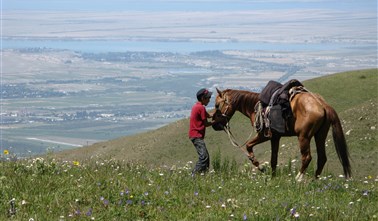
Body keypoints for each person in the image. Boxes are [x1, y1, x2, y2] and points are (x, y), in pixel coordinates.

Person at [189, 88, 215, 176]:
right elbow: (206, 124)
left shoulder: (197, 106)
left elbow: (209, 115)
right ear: (203, 98)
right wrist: (216, 121)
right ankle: (193, 175)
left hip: (194, 135)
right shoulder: (201, 108)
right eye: (208, 98)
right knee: (204, 157)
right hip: (196, 135)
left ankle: (203, 175)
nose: (209, 99)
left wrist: (217, 112)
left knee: (205, 157)